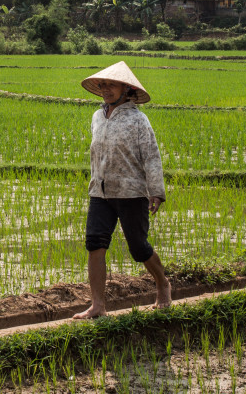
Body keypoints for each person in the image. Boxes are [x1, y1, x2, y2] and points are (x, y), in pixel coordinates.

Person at [73, 61, 171, 319]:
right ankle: (98, 305)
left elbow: (151, 157)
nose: (105, 89)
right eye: (103, 84)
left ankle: (162, 283)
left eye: (111, 84)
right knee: (95, 243)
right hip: (100, 191)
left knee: (138, 248)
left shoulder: (138, 119)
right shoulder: (96, 116)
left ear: (126, 89)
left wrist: (156, 190)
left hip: (131, 191)